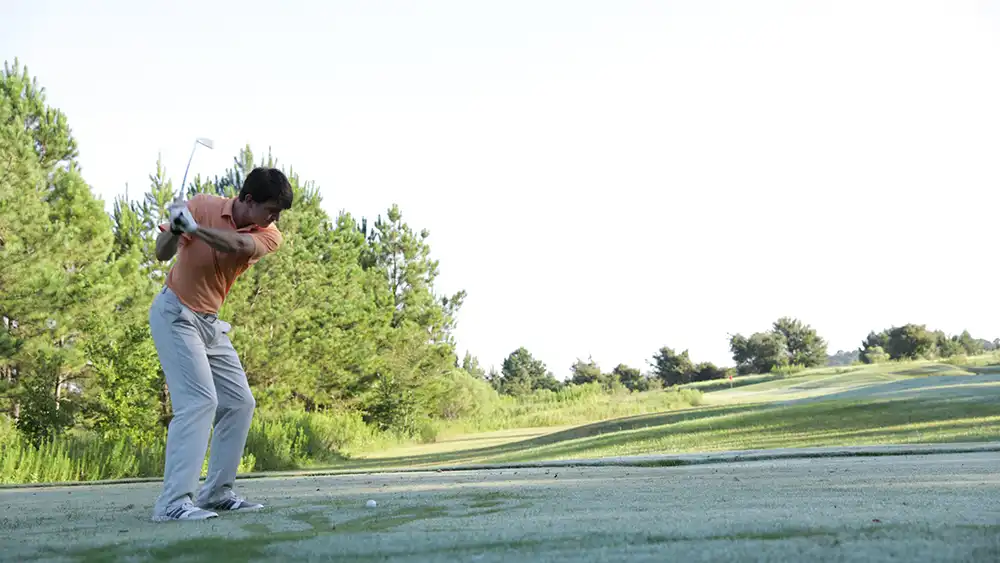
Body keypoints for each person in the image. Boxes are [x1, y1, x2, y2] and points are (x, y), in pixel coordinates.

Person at [148, 167, 293, 521]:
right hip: (175, 312)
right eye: (270, 209)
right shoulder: (201, 205)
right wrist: (176, 226)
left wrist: (195, 229)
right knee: (199, 401)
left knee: (240, 403)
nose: (274, 219)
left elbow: (240, 244)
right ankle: (172, 503)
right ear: (246, 200)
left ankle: (216, 492)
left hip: (210, 323)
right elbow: (161, 253)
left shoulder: (268, 235)